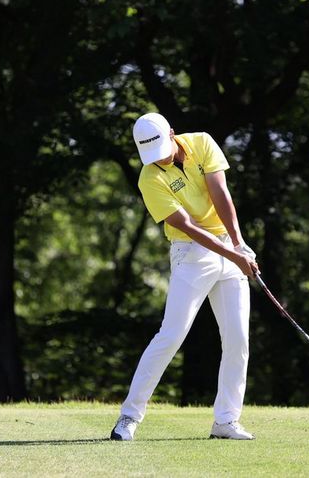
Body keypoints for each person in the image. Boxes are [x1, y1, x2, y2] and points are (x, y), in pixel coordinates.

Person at [110, 112, 259, 441]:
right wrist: (235, 256)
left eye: (163, 148)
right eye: (152, 154)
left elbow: (220, 193)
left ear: (173, 134)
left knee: (238, 340)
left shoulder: (202, 142)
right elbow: (187, 226)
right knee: (171, 335)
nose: (160, 158)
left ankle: (226, 421)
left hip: (226, 244)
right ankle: (129, 417)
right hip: (190, 254)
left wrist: (238, 243)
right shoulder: (149, 178)